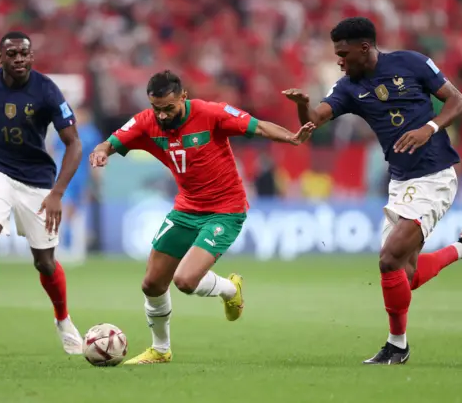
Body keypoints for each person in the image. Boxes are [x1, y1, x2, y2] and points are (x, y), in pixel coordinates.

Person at [283, 17, 462, 365]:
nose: (339, 60)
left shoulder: (411, 62)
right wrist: (301, 105)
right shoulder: (348, 88)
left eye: (343, 53)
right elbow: (314, 119)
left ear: (364, 48)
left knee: (388, 259)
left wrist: (429, 128)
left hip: (434, 174)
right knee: (406, 275)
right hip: (400, 182)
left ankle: (397, 346)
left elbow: (457, 102)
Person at [90, 70, 314, 365]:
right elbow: (112, 141)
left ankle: (231, 289)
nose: (163, 115)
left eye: (169, 108)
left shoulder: (212, 113)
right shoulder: (147, 121)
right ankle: (160, 350)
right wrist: (101, 151)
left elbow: (258, 128)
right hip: (186, 209)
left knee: (184, 280)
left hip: (225, 209)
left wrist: (292, 138)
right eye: (157, 108)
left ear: (183, 97)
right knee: (152, 284)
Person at [0, 31, 84, 355]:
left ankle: (63, 319)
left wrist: (57, 193)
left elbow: (74, 144)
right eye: (12, 54)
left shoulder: (47, 91)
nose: (19, 59)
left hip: (37, 180)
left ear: (32, 56)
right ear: (1, 58)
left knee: (45, 262)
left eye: (24, 53)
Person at [52, 106, 102, 248]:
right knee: (64, 206)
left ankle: (74, 244)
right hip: (63, 176)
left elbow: (96, 157)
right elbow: (54, 151)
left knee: (77, 210)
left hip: (81, 177)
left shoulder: (91, 133)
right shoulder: (64, 130)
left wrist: (96, 178)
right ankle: (61, 241)